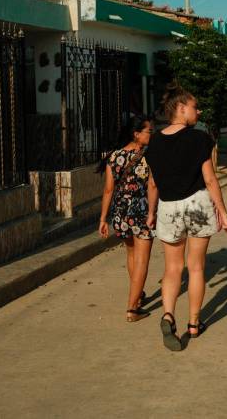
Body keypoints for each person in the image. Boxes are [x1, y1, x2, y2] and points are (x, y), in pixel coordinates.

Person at [145, 84, 227, 351]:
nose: (198, 111)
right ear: (181, 109)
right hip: (197, 204)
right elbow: (209, 178)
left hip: (168, 207)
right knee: (196, 267)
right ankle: (194, 323)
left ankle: (168, 315)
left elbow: (152, 183)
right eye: (195, 107)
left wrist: (150, 213)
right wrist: (224, 213)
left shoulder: (155, 141)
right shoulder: (199, 138)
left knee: (173, 269)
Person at [98, 115, 155, 322]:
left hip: (120, 212)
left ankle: (137, 295)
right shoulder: (148, 156)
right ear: (136, 134)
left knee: (131, 254)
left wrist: (103, 218)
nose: (152, 134)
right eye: (149, 131)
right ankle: (132, 308)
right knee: (142, 259)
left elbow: (108, 190)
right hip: (141, 211)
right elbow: (153, 186)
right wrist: (152, 213)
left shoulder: (113, 156)